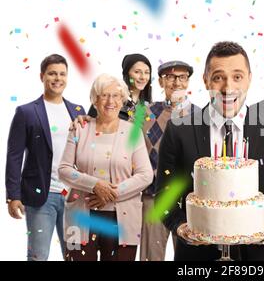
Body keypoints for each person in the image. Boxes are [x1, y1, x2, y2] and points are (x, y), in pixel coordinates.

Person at [155, 41, 264, 261]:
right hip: (196, 259)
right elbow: (164, 197)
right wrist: (183, 228)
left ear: (249, 79)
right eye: (218, 77)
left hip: (257, 258)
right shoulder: (179, 130)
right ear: (205, 80)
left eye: (237, 77)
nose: (228, 88)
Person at [59, 74, 153, 261]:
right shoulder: (80, 128)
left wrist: (110, 193)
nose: (111, 101)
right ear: (95, 99)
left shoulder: (133, 132)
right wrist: (95, 185)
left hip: (122, 219)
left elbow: (145, 175)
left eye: (116, 96)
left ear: (123, 100)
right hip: (81, 215)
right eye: (104, 95)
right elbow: (64, 169)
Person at [5, 54, 86, 261]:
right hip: (41, 196)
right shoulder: (26, 112)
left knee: (75, 255)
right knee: (38, 256)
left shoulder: (78, 111)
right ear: (42, 76)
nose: (57, 78)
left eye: (62, 74)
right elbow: (14, 156)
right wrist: (13, 196)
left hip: (73, 196)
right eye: (52, 73)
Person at [140, 60, 198, 261]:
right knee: (151, 257)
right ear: (160, 81)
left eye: (182, 77)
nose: (176, 82)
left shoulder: (201, 116)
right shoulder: (144, 112)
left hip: (188, 201)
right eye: (170, 77)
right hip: (154, 196)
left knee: (189, 261)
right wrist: (85, 119)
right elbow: (111, 118)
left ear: (188, 82)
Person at [87, 53, 152, 121]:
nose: (143, 77)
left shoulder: (148, 104)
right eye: (137, 72)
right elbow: (89, 122)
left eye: (147, 72)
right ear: (126, 73)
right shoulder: (108, 95)